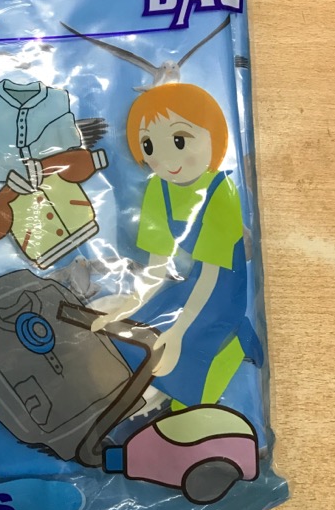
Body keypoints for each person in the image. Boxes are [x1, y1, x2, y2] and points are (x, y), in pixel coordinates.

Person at [91, 82, 261, 410]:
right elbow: (158, 266)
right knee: (134, 339)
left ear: (213, 136)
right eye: (149, 145)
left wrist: (179, 333)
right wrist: (125, 308)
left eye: (179, 140)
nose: (166, 158)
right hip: (191, 283)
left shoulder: (222, 191)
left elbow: (214, 274)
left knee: (184, 380)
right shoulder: (159, 188)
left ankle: (235, 341)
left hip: (224, 288)